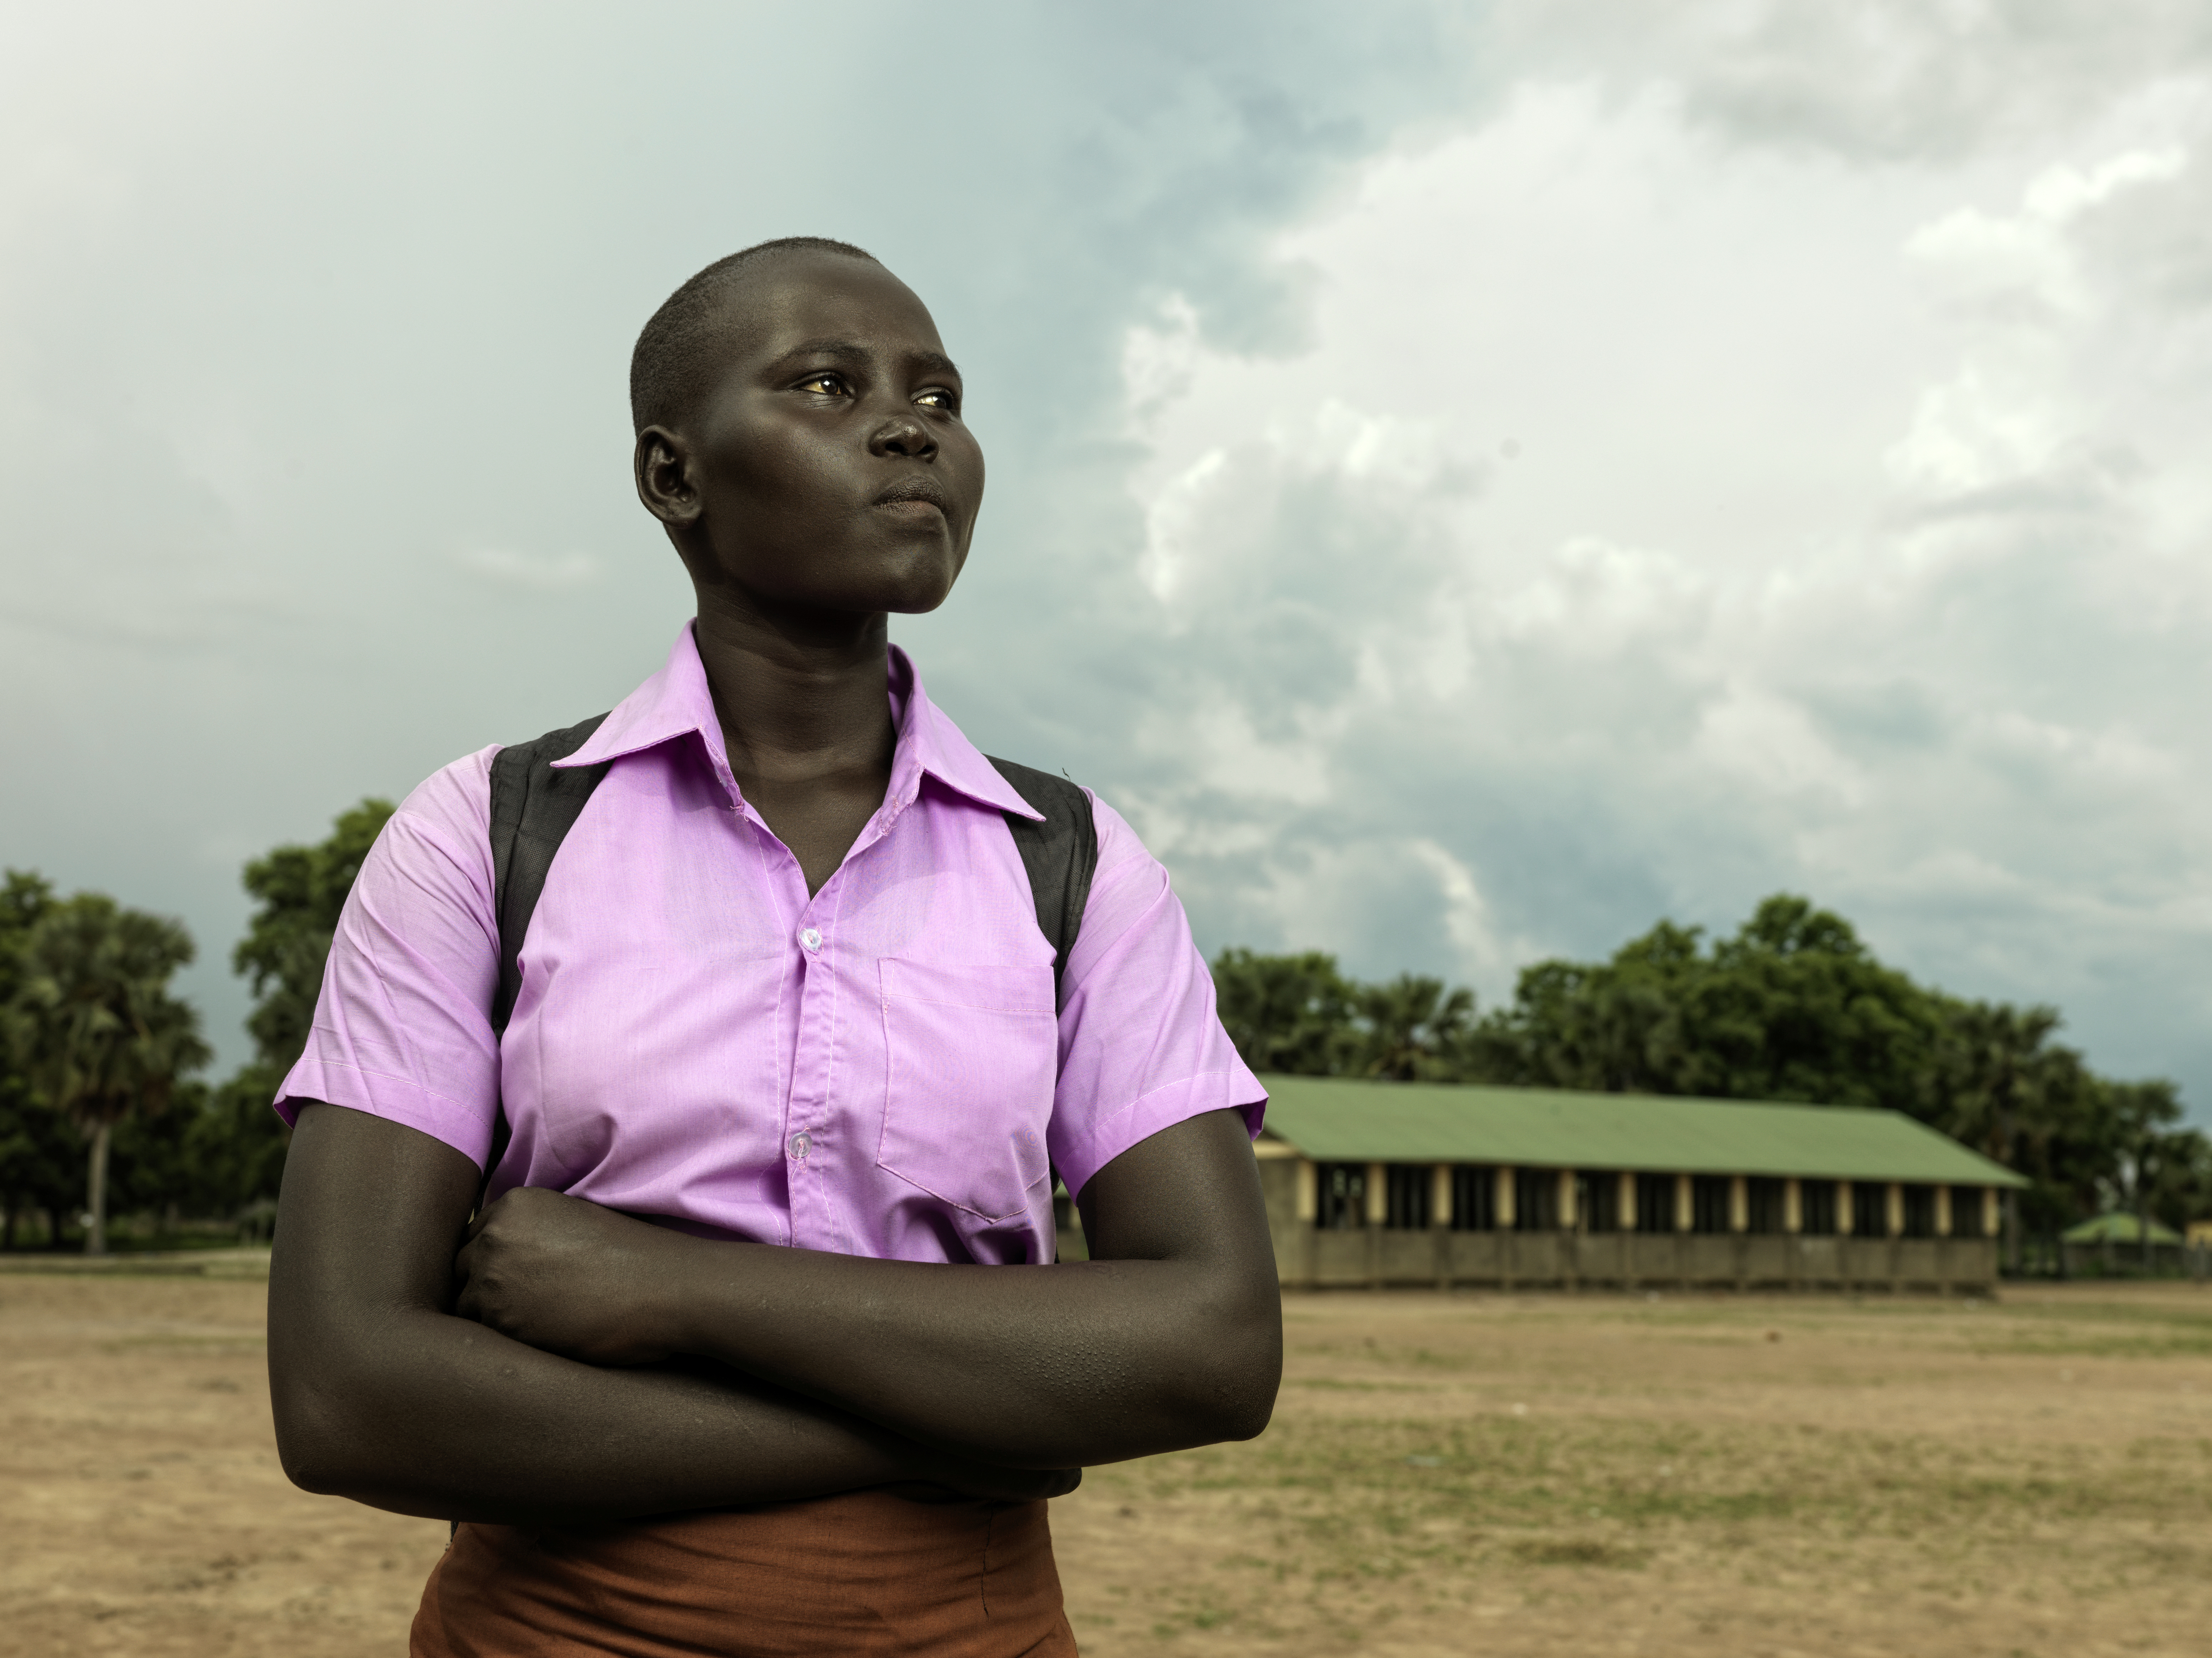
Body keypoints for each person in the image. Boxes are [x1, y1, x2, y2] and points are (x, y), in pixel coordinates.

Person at [264, 236, 1282, 1657]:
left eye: (939, 395)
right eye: (827, 383)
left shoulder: (1071, 860)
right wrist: (971, 1424)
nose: (911, 425)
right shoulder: (485, 834)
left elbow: (1215, 1345)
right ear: (672, 473)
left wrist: (668, 1287)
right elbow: (346, 1391)